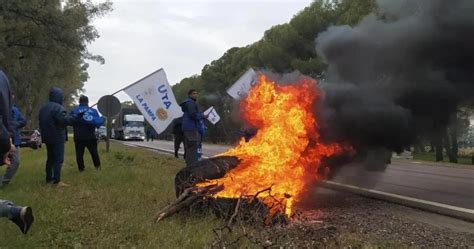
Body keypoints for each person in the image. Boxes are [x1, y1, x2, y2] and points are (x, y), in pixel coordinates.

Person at [0, 69, 34, 234]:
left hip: (10, 140)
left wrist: (8, 136)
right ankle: (14, 212)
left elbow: (21, 121)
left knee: (16, 162)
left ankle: (13, 211)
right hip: (6, 139)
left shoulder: (14, 109)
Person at [39, 87, 78, 186]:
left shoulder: (43, 108)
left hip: (47, 137)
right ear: (59, 96)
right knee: (58, 159)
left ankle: (49, 179)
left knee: (50, 158)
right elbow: (63, 121)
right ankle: (57, 181)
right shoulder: (58, 108)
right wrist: (74, 117)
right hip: (57, 137)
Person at [70, 95, 104, 172]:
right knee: (94, 153)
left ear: (79, 102)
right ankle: (98, 168)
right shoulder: (93, 111)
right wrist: (103, 118)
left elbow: (70, 121)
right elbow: (98, 123)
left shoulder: (74, 111)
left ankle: (81, 169)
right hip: (90, 136)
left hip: (78, 136)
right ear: (87, 102)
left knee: (79, 154)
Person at [1, 93, 26, 186]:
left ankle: (3, 182)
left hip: (14, 141)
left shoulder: (15, 110)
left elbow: (23, 121)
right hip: (2, 140)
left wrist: (15, 124)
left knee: (15, 162)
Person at [180, 89, 207, 166]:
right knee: (193, 147)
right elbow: (193, 115)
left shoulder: (188, 103)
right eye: (194, 93)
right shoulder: (190, 103)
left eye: (197, 93)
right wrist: (202, 116)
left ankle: (189, 165)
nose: (196, 95)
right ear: (190, 95)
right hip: (191, 128)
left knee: (189, 148)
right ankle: (192, 166)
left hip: (187, 128)